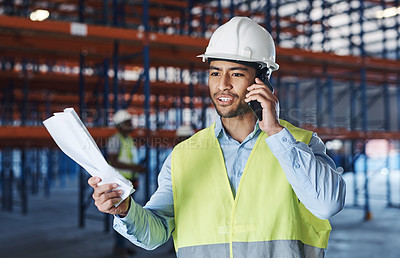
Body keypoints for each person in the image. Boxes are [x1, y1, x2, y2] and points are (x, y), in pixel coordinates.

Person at [89, 17, 346, 258]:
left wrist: (276, 133)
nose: (222, 84)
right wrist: (125, 211)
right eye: (214, 72)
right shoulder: (184, 155)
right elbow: (154, 234)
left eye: (235, 73)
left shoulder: (300, 143)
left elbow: (327, 205)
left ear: (263, 82)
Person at [106, 109, 146, 257]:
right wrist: (135, 168)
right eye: (127, 122)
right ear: (119, 125)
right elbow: (114, 161)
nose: (131, 124)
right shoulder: (115, 140)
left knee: (129, 216)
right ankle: (119, 248)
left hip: (129, 183)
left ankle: (123, 245)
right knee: (121, 215)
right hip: (118, 185)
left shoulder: (128, 139)